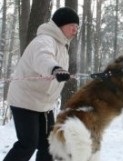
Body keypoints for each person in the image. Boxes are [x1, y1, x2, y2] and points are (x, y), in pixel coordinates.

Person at [3, 7, 79, 161]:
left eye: (77, 27)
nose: (75, 30)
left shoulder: (62, 46)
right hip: (25, 100)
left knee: (49, 145)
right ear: (60, 25)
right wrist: (55, 69)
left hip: (43, 104)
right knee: (27, 144)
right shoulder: (44, 40)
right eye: (72, 25)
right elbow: (42, 58)